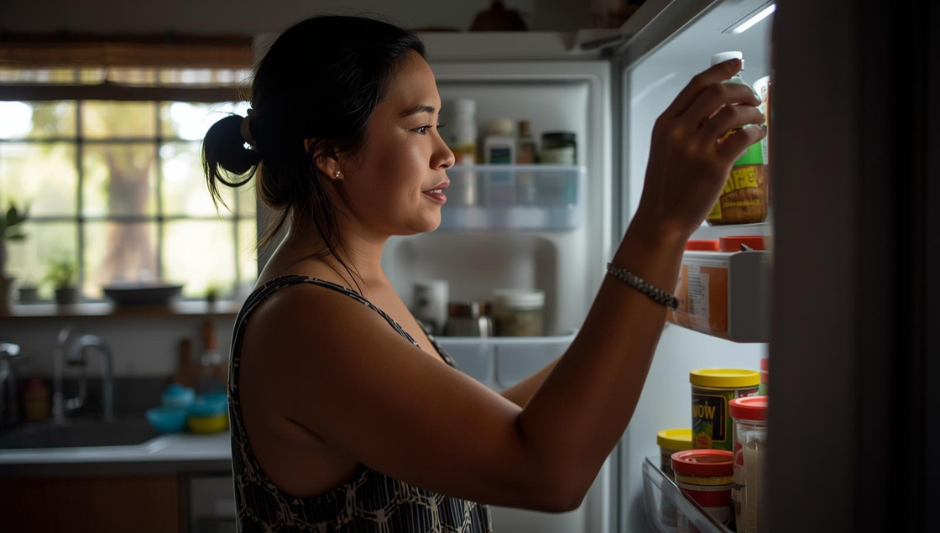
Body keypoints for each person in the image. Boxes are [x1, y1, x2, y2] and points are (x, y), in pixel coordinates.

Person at [203, 14, 765, 533]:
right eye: (420, 127)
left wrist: (647, 311)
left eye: (438, 126)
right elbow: (546, 472)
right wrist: (659, 227)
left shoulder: (349, 286)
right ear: (331, 155)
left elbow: (495, 421)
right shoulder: (306, 318)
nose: (446, 153)